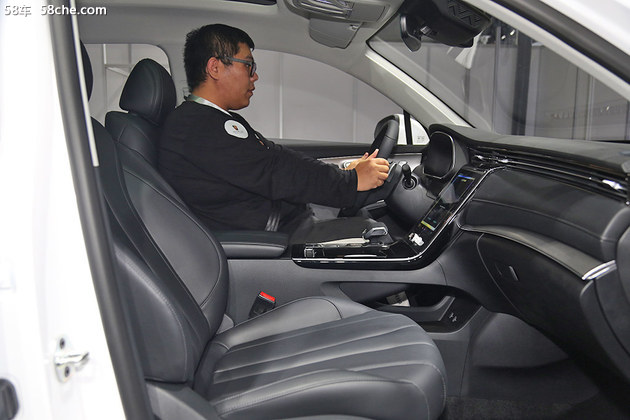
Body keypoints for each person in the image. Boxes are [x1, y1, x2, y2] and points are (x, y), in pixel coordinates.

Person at [158, 24, 389, 234]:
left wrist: (345, 172)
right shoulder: (197, 128)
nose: (255, 76)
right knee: (375, 234)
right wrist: (350, 182)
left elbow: (274, 158)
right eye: (248, 66)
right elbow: (276, 170)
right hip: (271, 241)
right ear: (215, 67)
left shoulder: (207, 121)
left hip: (282, 222)